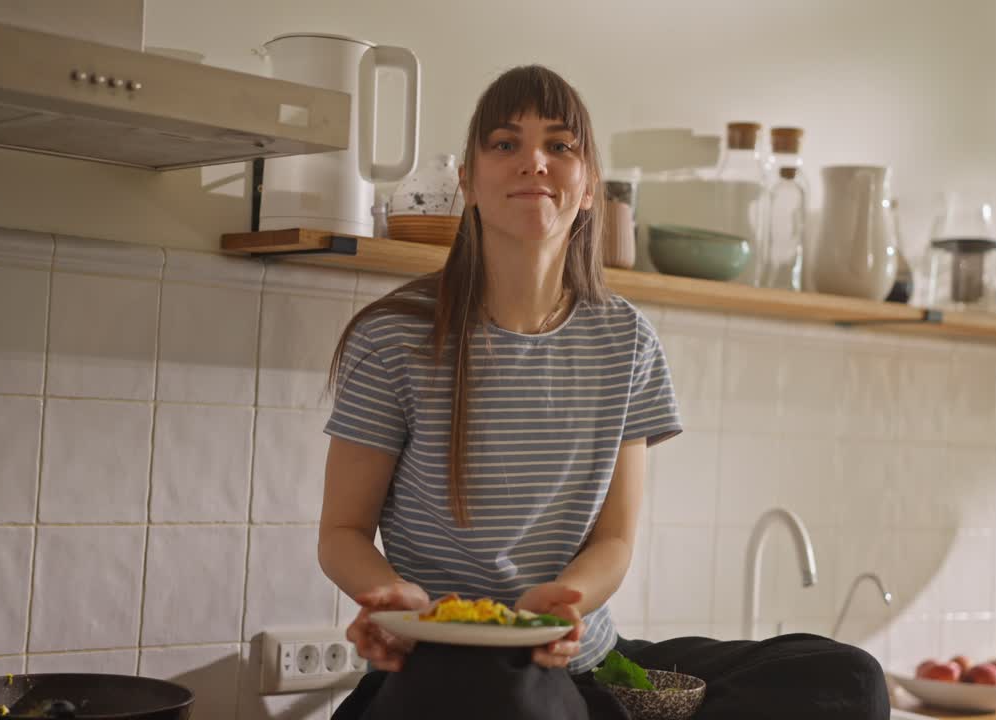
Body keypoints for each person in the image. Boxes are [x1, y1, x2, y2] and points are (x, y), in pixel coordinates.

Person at [318, 65, 889, 720]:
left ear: (588, 187)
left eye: (560, 146)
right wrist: (391, 598)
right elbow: (342, 531)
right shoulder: (395, 338)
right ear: (468, 182)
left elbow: (614, 540)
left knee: (846, 678)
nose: (534, 160)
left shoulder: (626, 341)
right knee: (496, 692)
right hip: (442, 668)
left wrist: (566, 599)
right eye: (506, 143)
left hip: (583, 662)